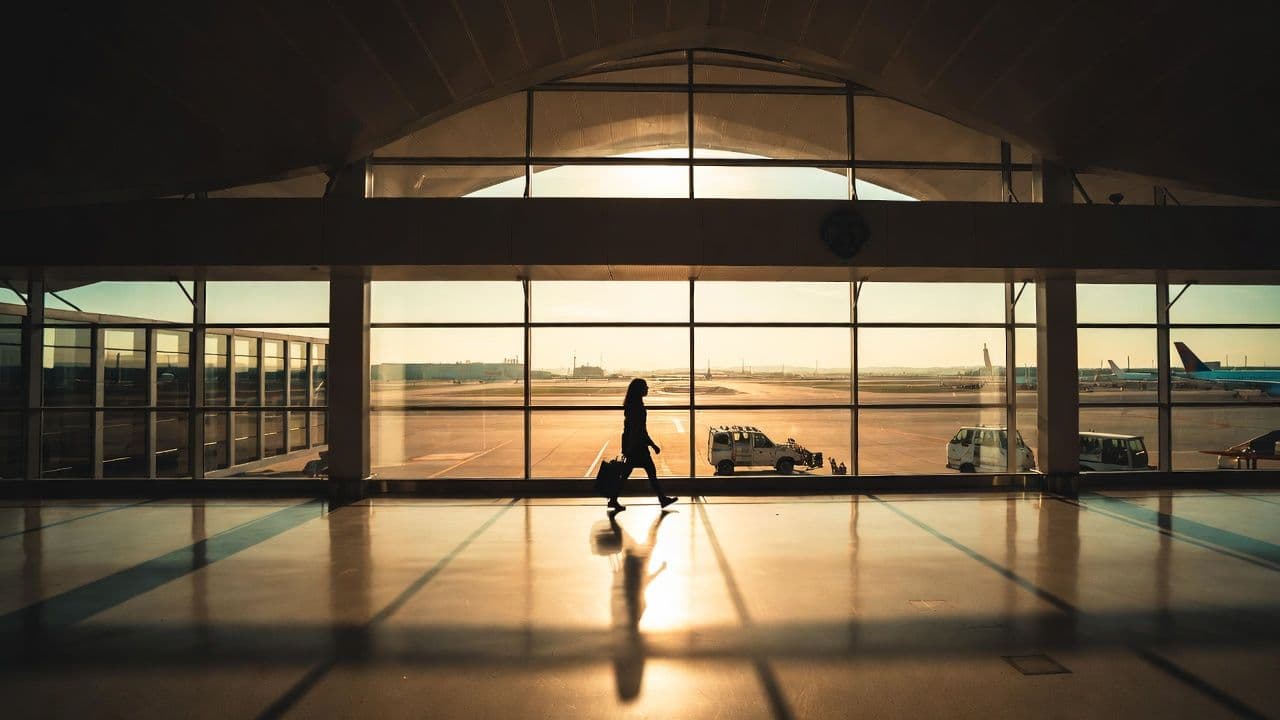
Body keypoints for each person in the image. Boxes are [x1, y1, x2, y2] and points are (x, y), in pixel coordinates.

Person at [610, 378, 676, 512]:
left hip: (633, 445)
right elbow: (639, 430)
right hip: (638, 447)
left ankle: (613, 499)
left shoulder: (632, 405)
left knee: (628, 474)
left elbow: (635, 430)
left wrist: (632, 447)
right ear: (639, 390)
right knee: (650, 473)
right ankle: (662, 499)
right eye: (645, 386)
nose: (647, 388)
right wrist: (651, 445)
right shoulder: (638, 407)